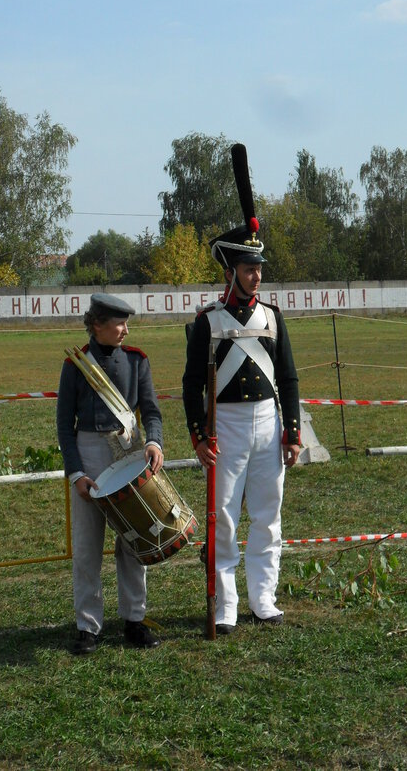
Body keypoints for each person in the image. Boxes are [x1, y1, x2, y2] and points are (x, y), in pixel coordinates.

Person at [182, 223, 301, 634]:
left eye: (259, 269)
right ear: (230, 272)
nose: (257, 275)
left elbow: (288, 378)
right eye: (249, 268)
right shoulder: (207, 322)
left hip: (269, 424)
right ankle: (226, 606)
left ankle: (263, 598)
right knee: (224, 519)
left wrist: (293, 433)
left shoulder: (272, 318)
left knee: (269, 515)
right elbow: (190, 383)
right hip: (225, 426)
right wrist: (199, 435)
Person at [57, 292, 164, 654]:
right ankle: (88, 626)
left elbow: (150, 411)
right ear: (96, 325)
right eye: (119, 323)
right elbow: (63, 426)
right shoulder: (75, 365)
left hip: (131, 452)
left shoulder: (137, 362)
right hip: (88, 454)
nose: (125, 330)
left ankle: (135, 619)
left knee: (134, 541)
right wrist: (76, 473)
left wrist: (154, 443)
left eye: (126, 323)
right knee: (88, 546)